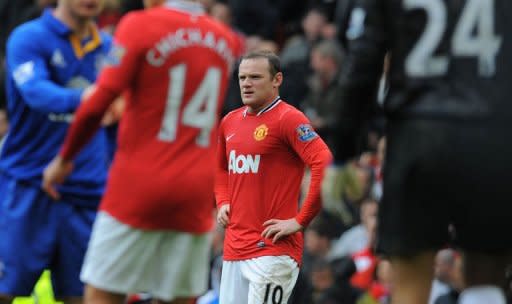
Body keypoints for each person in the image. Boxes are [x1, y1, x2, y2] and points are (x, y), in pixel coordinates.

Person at [42, 1, 243, 304]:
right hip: (196, 189)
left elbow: (97, 101)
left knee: (102, 293)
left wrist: (65, 158)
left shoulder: (139, 25)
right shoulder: (225, 39)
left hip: (139, 185)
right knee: (177, 297)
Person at [338, 0, 512, 304]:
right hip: (490, 133)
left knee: (409, 283)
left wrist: (342, 150)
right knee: (487, 276)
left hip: (417, 137)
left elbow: (363, 60)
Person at [0, 0, 112, 303]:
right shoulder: (28, 37)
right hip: (28, 184)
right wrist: (91, 99)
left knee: (82, 296)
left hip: (87, 190)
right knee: (5, 290)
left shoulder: (111, 46)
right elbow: (35, 91)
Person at [215, 51, 333, 304]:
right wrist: (223, 200)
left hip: (272, 251)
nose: (246, 83)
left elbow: (324, 162)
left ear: (276, 79)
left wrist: (301, 220)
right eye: (242, 77)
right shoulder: (229, 122)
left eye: (255, 77)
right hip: (234, 249)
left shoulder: (288, 118)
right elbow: (221, 168)